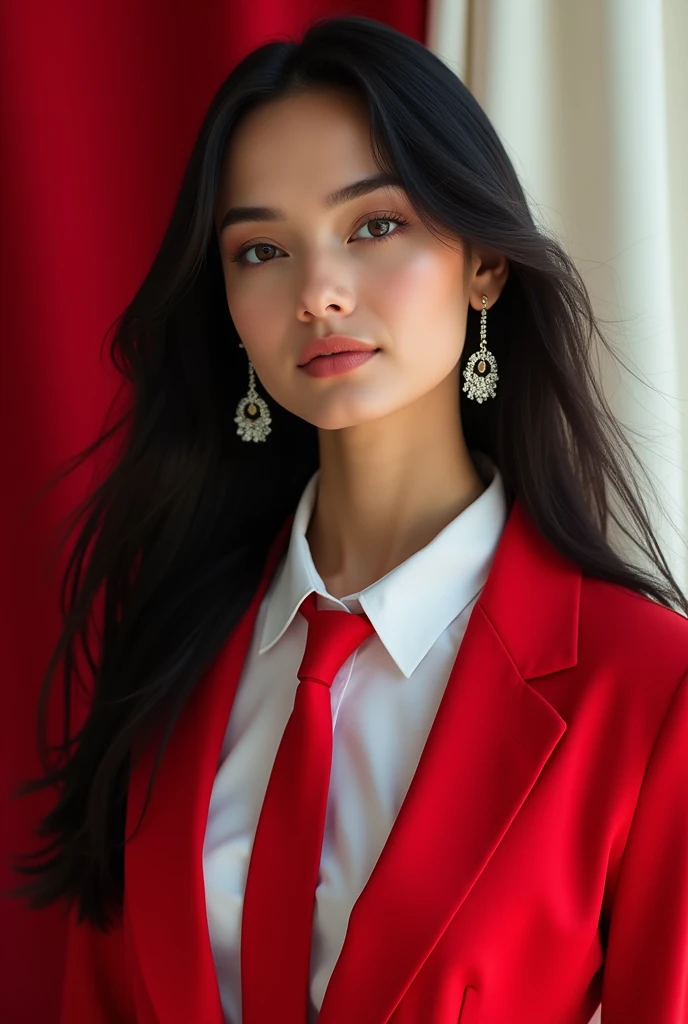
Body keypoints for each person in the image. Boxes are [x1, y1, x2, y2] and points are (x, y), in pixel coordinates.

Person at [9, 14, 688, 1024]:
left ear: (484, 266)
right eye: (261, 249)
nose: (317, 294)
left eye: (375, 225)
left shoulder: (644, 686)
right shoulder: (169, 648)